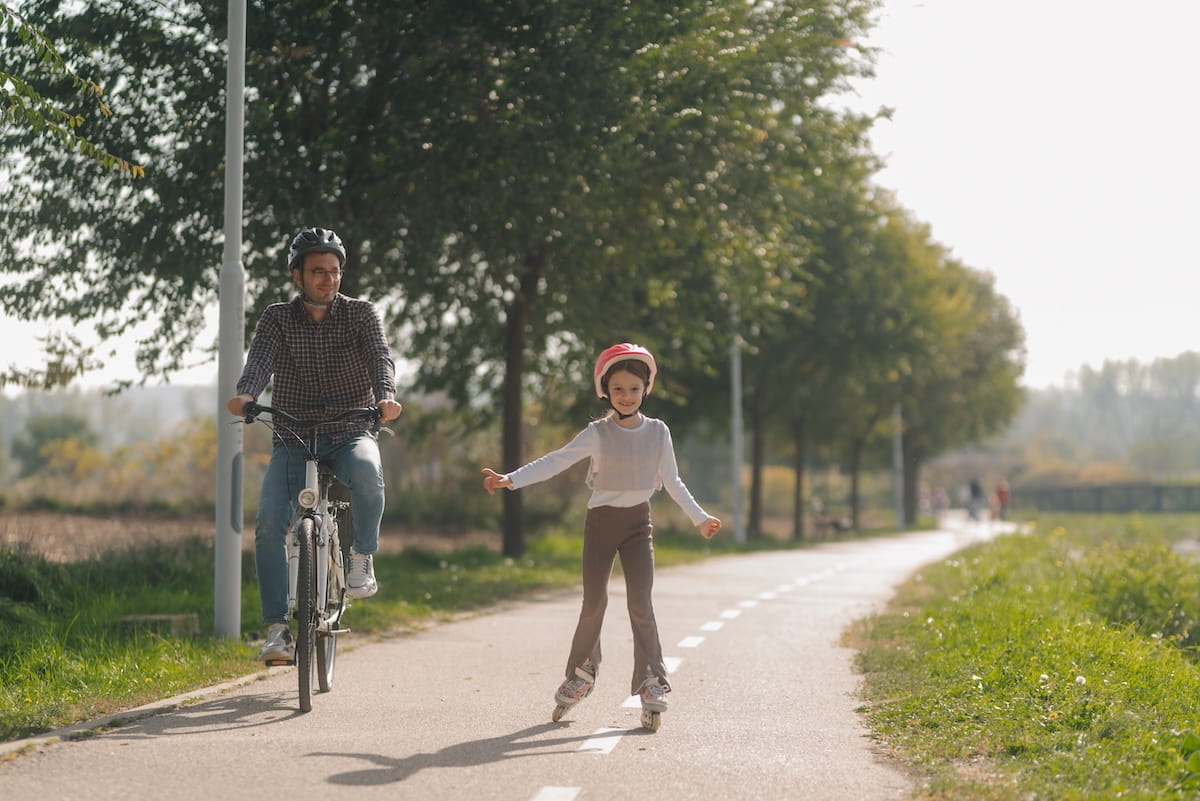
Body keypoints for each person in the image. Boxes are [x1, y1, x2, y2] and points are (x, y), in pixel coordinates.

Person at [481, 343, 721, 724]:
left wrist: (699, 517)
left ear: (646, 390)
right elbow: (555, 461)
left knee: (641, 604)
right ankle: (582, 673)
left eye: (634, 389)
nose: (626, 396)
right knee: (594, 603)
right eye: (619, 389)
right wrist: (511, 478)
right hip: (600, 525)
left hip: (639, 526)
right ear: (605, 390)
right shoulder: (597, 433)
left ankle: (651, 679)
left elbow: (672, 481)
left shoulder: (659, 432)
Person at [226, 226, 403, 662]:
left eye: (335, 271)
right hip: (293, 434)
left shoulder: (362, 314)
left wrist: (385, 395)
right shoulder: (277, 318)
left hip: (350, 429)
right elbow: (261, 359)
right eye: (317, 271)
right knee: (268, 523)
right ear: (297, 276)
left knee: (367, 472)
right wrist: (246, 394)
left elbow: (380, 356)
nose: (328, 279)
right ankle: (276, 630)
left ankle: (362, 556)